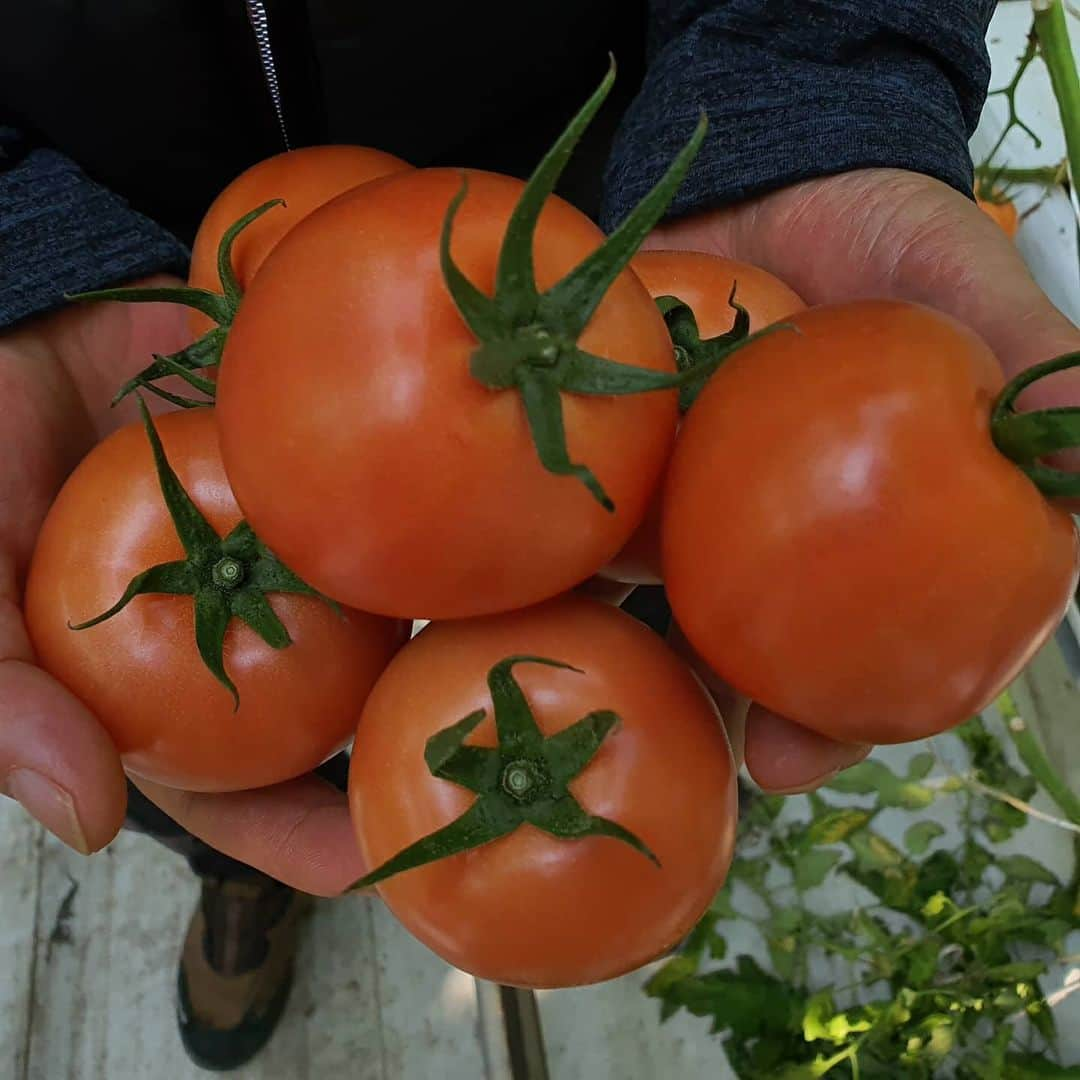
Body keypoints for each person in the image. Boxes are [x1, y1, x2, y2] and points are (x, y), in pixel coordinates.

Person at [2, 0, 1077, 1071]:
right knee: (213, 787)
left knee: (642, 625)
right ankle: (233, 872)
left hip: (604, 231)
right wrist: (16, 239)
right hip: (127, 226)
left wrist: (803, 79)